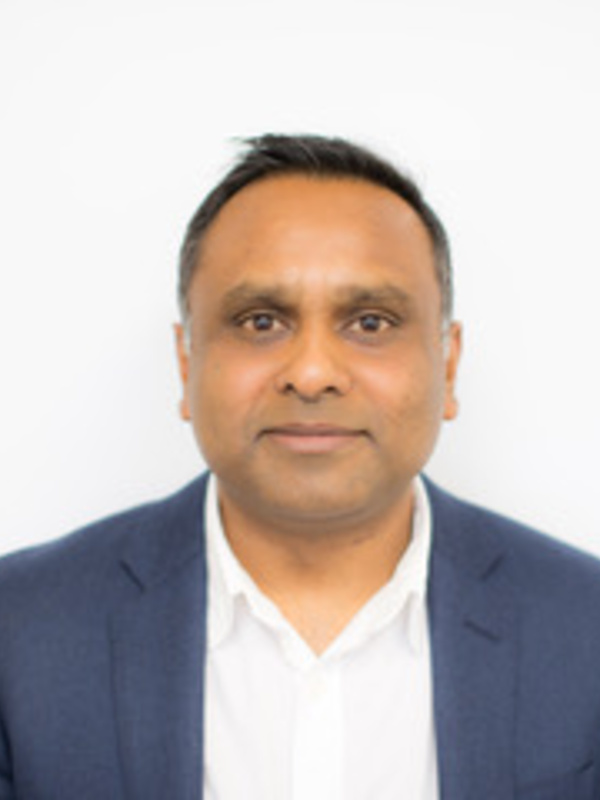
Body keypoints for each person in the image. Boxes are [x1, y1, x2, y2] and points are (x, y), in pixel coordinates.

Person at [1, 134, 599, 800]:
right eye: (261, 322)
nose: (312, 373)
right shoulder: (18, 629)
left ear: (449, 365)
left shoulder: (586, 626)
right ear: (186, 363)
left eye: (370, 323)